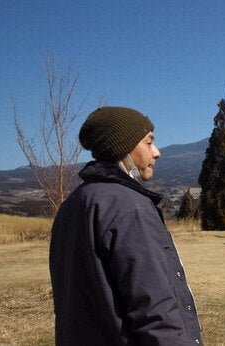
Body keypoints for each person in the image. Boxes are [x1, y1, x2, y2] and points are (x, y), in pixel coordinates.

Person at [49, 106, 202, 345]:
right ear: (124, 147)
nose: (157, 152)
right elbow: (154, 308)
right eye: (148, 142)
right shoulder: (130, 207)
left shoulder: (72, 204)